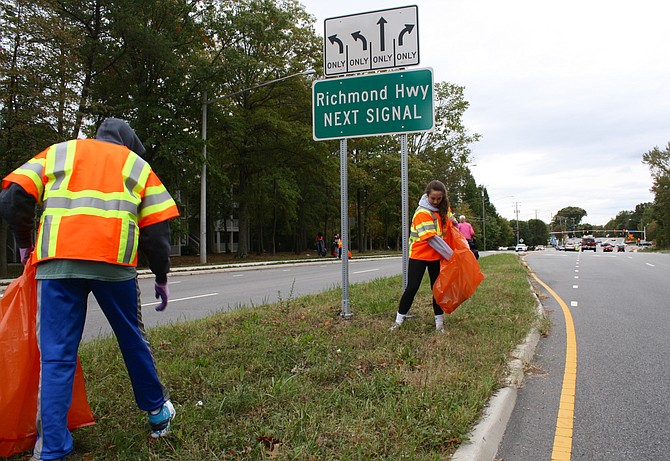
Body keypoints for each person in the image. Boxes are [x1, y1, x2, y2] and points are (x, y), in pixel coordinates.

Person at [0, 118, 180, 461]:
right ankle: (158, 415)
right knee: (131, 339)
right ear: (128, 143)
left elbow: (11, 200)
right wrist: (161, 276)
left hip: (57, 266)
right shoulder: (136, 165)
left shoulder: (58, 153)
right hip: (114, 265)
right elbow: (157, 233)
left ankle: (52, 448)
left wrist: (25, 243)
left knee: (56, 356)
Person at [390, 180, 454, 333]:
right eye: (433, 198)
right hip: (419, 254)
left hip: (436, 256)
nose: (436, 201)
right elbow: (432, 239)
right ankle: (399, 321)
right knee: (412, 287)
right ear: (427, 195)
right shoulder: (422, 212)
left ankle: (439, 324)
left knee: (437, 289)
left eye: (439, 198)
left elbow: (451, 225)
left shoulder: (444, 209)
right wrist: (452, 256)